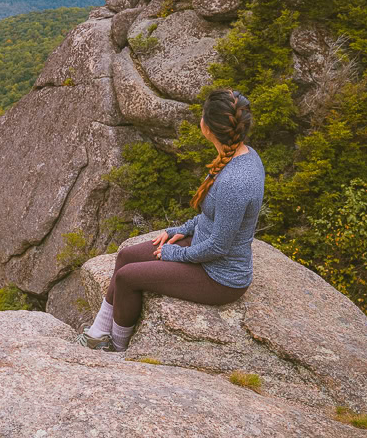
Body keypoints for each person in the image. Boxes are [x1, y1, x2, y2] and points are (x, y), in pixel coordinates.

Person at [75, 88, 265, 352]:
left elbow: (218, 247)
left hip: (220, 277)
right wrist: (180, 230)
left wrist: (174, 253)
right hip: (205, 250)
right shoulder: (244, 156)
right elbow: (211, 216)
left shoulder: (236, 180)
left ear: (208, 128)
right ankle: (97, 332)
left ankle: (117, 348)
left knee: (128, 277)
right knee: (126, 256)